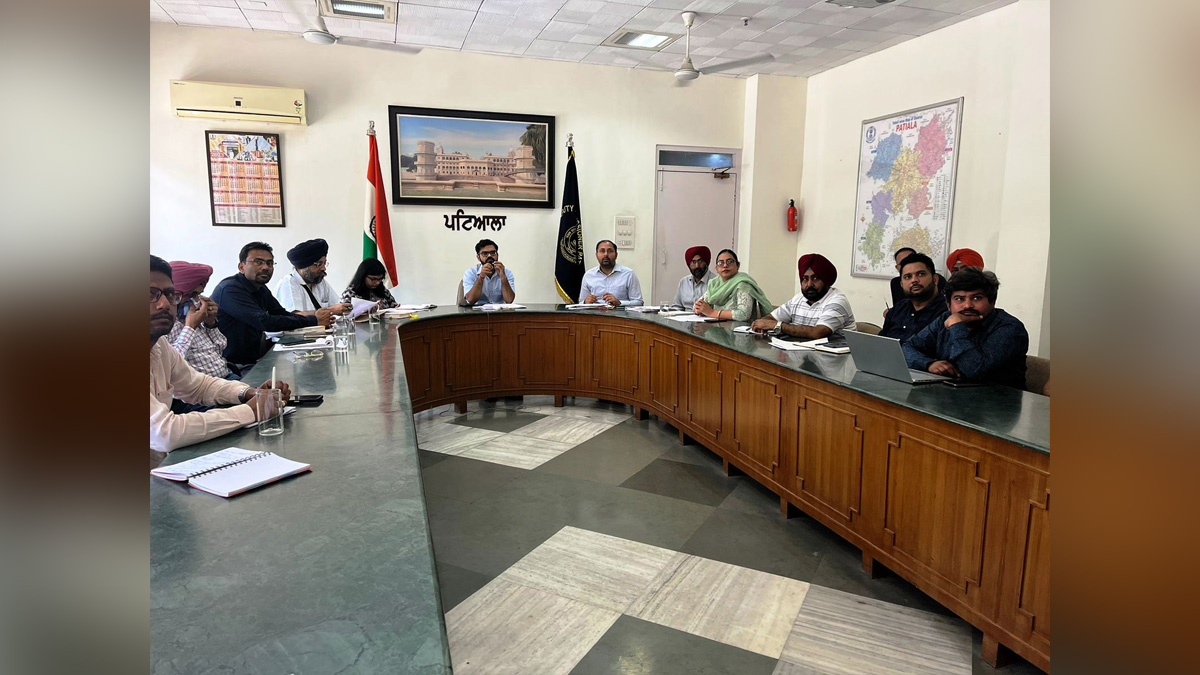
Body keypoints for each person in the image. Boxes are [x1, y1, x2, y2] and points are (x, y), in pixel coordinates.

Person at [151, 255, 291, 453]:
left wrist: (249, 393)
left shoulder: (159, 346)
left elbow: (199, 386)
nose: (165, 304)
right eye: (151, 294)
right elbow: (164, 433)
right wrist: (251, 410)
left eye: (170, 294)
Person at [212, 242, 336, 370]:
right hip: (230, 366)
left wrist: (315, 320)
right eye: (258, 262)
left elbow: (281, 313)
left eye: (270, 263)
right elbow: (265, 322)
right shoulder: (230, 289)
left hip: (254, 360)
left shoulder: (261, 288)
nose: (265, 267)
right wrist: (314, 320)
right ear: (241, 267)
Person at [902, 267, 1028, 389]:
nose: (967, 305)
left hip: (998, 400)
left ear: (992, 302)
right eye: (959, 299)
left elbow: (975, 371)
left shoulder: (1010, 328)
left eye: (976, 298)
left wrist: (957, 326)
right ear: (948, 304)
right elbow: (907, 348)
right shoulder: (944, 319)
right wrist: (928, 364)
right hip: (949, 396)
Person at [750, 253, 856, 338]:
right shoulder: (798, 298)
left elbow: (817, 333)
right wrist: (763, 324)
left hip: (836, 357)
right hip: (803, 354)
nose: (809, 284)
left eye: (815, 278)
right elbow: (771, 318)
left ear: (826, 281)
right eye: (805, 279)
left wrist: (777, 326)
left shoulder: (837, 301)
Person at [166, 260, 233, 380]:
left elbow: (219, 349)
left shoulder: (194, 314)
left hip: (226, 377)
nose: (196, 300)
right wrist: (190, 327)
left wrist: (210, 323)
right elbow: (169, 365)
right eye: (192, 294)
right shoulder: (162, 324)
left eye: (199, 294)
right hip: (200, 388)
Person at [879, 252, 947, 343]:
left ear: (935, 279)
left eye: (921, 274)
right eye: (908, 277)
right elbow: (880, 342)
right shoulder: (898, 309)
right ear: (902, 284)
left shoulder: (947, 312)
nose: (914, 280)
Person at [274, 238, 350, 315]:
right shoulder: (288, 283)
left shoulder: (319, 281)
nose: (324, 268)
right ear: (303, 267)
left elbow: (337, 305)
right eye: (319, 264)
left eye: (324, 263)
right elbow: (294, 316)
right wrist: (330, 310)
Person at [693, 249, 772, 321]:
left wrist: (712, 313)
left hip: (739, 329)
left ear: (738, 266)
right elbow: (699, 304)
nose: (725, 265)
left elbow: (744, 314)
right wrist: (699, 309)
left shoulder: (743, 283)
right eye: (720, 263)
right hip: (717, 328)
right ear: (717, 268)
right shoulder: (714, 283)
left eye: (730, 262)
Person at [581, 240, 643, 307]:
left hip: (620, 313)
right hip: (595, 313)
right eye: (602, 251)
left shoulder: (628, 274)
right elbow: (580, 303)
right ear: (596, 255)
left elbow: (639, 303)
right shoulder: (588, 275)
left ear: (616, 255)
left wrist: (619, 303)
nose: (606, 254)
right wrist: (585, 302)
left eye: (610, 251)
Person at [462, 238, 515, 306]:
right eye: (485, 253)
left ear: (497, 255)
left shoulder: (507, 273)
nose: (490, 255)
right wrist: (481, 277)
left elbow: (509, 300)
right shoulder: (470, 273)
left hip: (499, 310)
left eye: (493, 253)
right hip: (477, 310)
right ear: (478, 257)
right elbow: (470, 300)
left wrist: (503, 277)